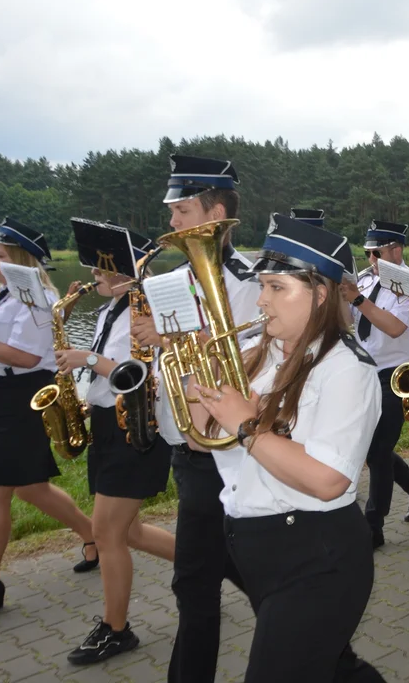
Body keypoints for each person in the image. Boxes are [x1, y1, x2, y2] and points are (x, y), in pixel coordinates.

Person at [185, 213, 385, 682]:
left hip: (317, 555)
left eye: (277, 287)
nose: (261, 299)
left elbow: (327, 480)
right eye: (263, 287)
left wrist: (248, 426)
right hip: (255, 546)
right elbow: (202, 441)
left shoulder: (346, 370)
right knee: (335, 668)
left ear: (318, 294)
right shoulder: (258, 352)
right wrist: (198, 389)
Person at [129, 154, 262, 683]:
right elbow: (174, 362)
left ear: (217, 210)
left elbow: (258, 367)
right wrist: (153, 350)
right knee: (202, 577)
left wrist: (170, 341)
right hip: (188, 448)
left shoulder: (255, 281)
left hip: (231, 450)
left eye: (181, 210)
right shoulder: (170, 280)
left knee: (198, 582)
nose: (172, 223)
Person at [56, 220, 176, 664]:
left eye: (102, 271)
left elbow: (138, 376)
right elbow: (113, 374)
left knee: (107, 532)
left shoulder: (144, 310)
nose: (94, 278)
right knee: (130, 531)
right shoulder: (111, 308)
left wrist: (86, 359)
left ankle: (116, 629)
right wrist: (90, 401)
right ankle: (207, 567)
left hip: (137, 428)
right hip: (111, 423)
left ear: (127, 272)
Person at [0, 218, 100, 614]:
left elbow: (28, 357)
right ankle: (92, 534)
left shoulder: (36, 299)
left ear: (20, 259)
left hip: (19, 398)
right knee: (29, 488)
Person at [342, 220, 409, 548]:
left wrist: (357, 300)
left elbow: (394, 327)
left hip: (397, 374)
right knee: (371, 447)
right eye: (367, 253)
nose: (371, 259)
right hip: (364, 372)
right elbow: (351, 322)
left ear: (396, 249)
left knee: (378, 451)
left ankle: (373, 524)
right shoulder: (366, 280)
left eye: (377, 252)